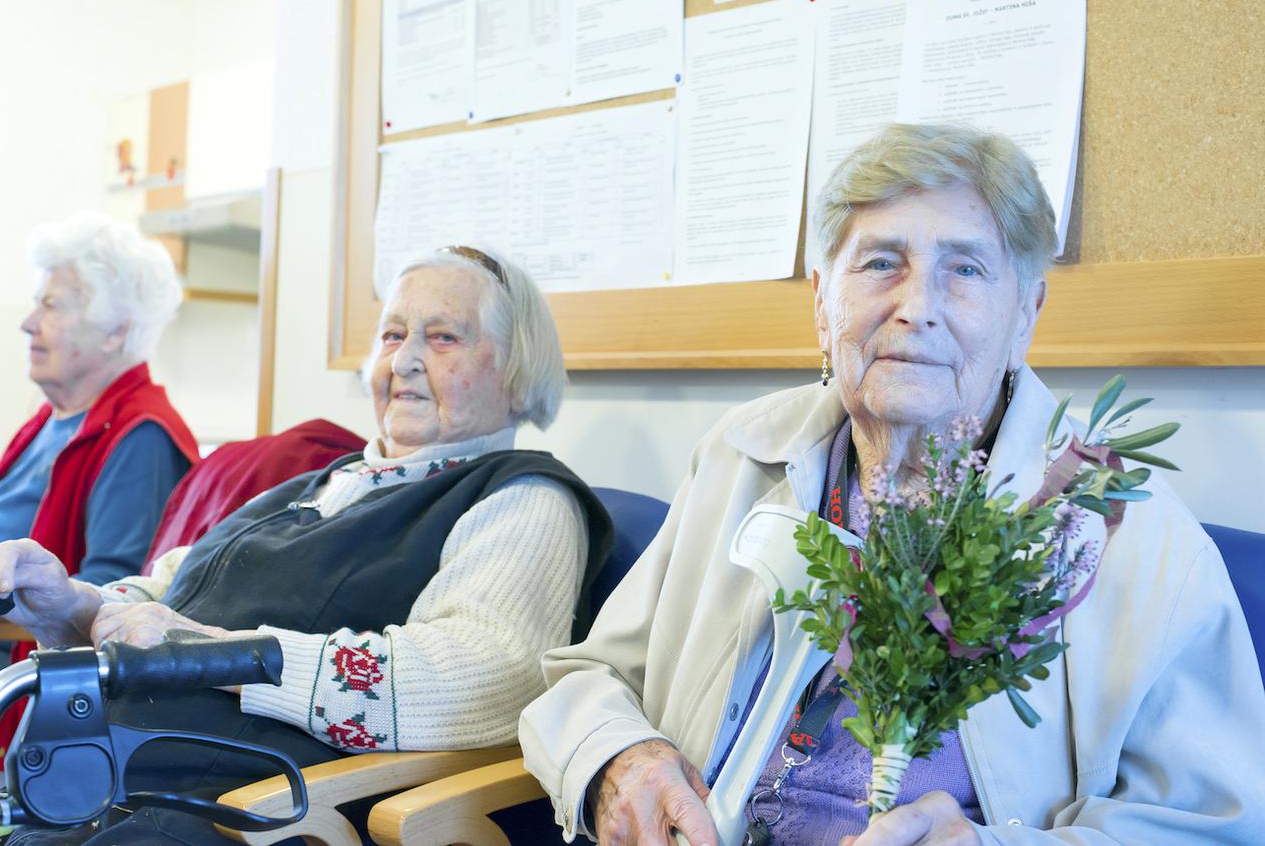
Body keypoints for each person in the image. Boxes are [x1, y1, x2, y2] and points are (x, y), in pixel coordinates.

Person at [519, 125, 1265, 845]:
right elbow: (592, 677)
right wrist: (620, 760)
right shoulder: (739, 457)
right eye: (881, 263)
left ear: (1024, 317)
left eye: (965, 269)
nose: (916, 307)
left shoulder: (1124, 530)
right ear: (822, 305)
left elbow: (1220, 827)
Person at [0, 245, 613, 844]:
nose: (404, 361)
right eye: (392, 335)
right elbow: (170, 590)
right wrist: (71, 603)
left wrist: (218, 653)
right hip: (94, 792)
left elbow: (482, 679)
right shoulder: (318, 483)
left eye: (443, 337)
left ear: (516, 370)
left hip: (242, 816)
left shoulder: (524, 499)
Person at [0, 213, 197, 588]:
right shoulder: (53, 417)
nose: (29, 323)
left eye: (51, 306)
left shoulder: (142, 436)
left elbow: (112, 588)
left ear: (115, 331)